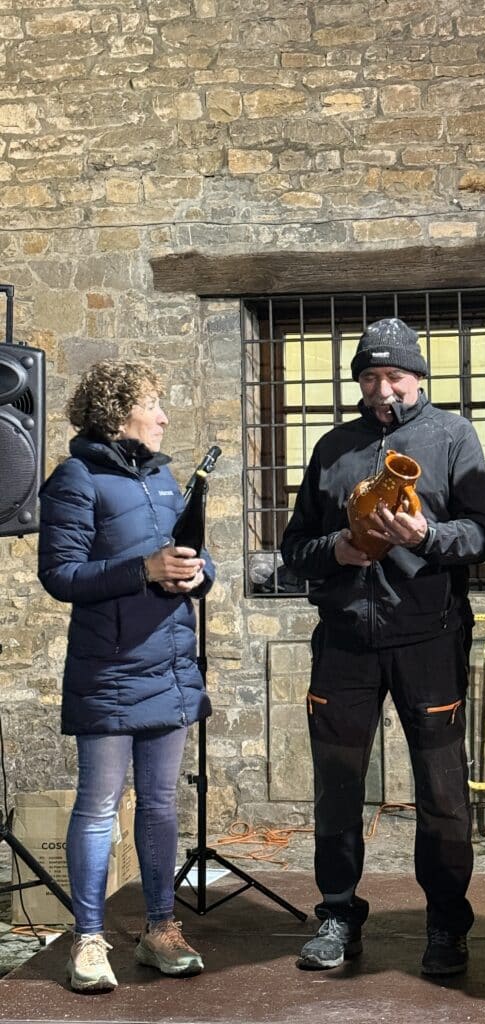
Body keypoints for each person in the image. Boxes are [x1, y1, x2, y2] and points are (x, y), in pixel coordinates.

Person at [280, 317, 485, 976]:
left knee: (441, 790)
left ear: (418, 377)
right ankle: (339, 912)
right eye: (370, 377)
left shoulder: (453, 435)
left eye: (395, 376)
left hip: (428, 640)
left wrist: (425, 536)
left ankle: (445, 924)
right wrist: (338, 550)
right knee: (338, 786)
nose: (383, 390)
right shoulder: (333, 447)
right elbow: (294, 550)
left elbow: (484, 533)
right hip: (345, 642)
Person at [37, 360, 215, 993]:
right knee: (98, 807)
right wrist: (143, 569)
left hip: (168, 669)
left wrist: (201, 573)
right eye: (152, 404)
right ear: (118, 415)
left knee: (163, 806)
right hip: (108, 672)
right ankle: (88, 939)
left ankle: (160, 929)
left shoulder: (165, 477)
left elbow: (194, 555)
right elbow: (60, 576)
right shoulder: (75, 480)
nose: (165, 415)